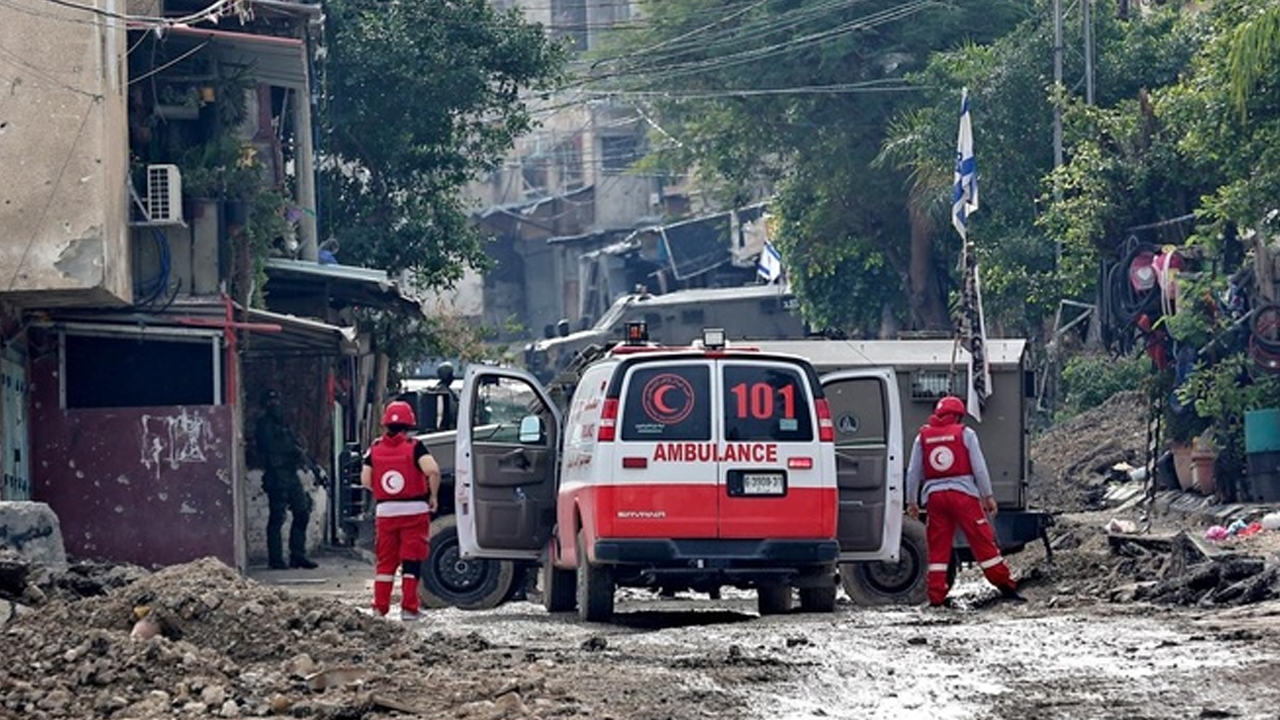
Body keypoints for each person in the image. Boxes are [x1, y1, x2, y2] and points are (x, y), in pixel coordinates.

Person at [906, 395, 1024, 607]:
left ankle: (935, 598)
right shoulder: (965, 434)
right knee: (982, 541)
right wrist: (987, 496)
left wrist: (912, 501)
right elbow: (979, 467)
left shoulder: (922, 437)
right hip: (964, 496)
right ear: (959, 416)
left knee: (938, 548)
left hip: (935, 498)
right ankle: (1006, 586)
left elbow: (914, 471)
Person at [360, 400, 441, 620]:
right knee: (411, 560)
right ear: (410, 424)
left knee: (385, 562)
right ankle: (409, 609)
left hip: (385, 513)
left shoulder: (374, 448)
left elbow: (365, 479)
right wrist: (433, 496)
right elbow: (432, 470)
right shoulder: (416, 446)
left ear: (386, 424)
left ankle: (379, 609)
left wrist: (383, 494)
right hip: (414, 511)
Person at [255, 389, 318, 570]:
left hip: (290, 475)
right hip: (275, 476)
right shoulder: (263, 425)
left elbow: (294, 445)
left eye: (277, 401)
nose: (275, 405)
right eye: (271, 402)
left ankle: (297, 554)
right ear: (266, 404)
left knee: (302, 512)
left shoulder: (284, 425)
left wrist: (300, 454)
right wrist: (292, 450)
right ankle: (275, 559)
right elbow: (271, 446)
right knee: (277, 518)